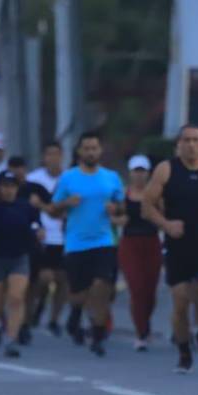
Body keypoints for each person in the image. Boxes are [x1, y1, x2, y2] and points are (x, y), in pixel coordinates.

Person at [142, 124, 198, 372]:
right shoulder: (166, 170)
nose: (191, 144)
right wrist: (166, 224)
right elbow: (146, 206)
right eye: (186, 140)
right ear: (179, 144)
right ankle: (183, 350)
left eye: (196, 140)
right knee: (181, 305)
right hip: (178, 246)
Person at [49, 132, 124, 357]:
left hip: (104, 241)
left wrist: (116, 209)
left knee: (101, 287)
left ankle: (98, 334)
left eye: (94, 148)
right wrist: (66, 202)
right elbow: (52, 210)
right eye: (86, 148)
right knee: (79, 294)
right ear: (79, 152)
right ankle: (75, 314)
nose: (91, 152)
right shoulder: (68, 178)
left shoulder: (111, 177)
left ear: (100, 151)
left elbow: (122, 205)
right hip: (76, 243)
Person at [0, 170, 42, 358]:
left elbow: (36, 224)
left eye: (12, 186)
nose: (8, 191)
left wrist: (38, 232)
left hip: (19, 257)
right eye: (4, 187)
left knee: (16, 297)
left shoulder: (25, 207)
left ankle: (11, 339)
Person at [117, 155, 162, 351]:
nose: (139, 175)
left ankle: (146, 322)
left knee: (150, 289)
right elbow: (114, 214)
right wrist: (118, 219)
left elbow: (165, 215)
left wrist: (154, 214)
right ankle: (140, 332)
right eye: (136, 171)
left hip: (151, 241)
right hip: (130, 243)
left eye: (143, 171)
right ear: (130, 173)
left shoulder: (156, 194)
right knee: (136, 287)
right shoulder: (123, 193)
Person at [27, 141, 69, 336]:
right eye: (49, 154)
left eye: (56, 154)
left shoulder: (70, 178)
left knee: (62, 280)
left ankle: (54, 319)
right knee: (42, 279)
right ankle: (38, 305)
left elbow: (65, 210)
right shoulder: (33, 179)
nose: (53, 158)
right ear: (44, 157)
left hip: (64, 237)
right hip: (40, 237)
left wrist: (45, 206)